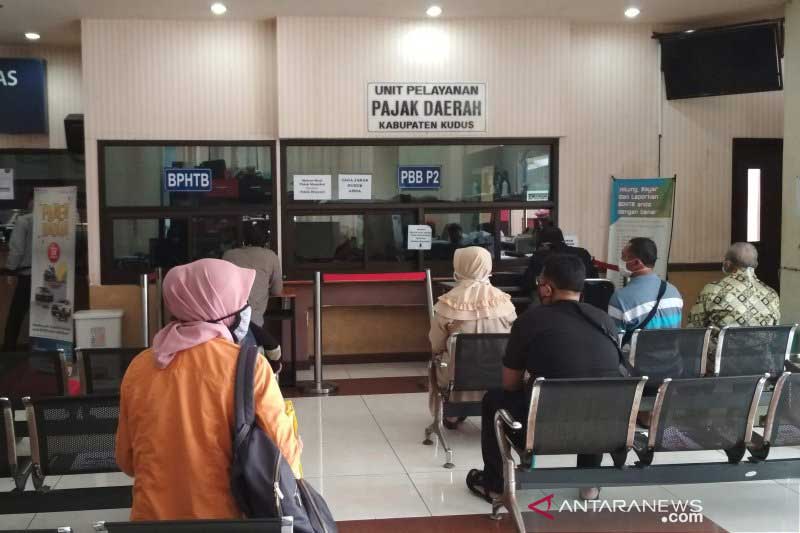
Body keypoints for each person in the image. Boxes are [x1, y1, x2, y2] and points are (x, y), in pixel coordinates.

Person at [115, 259, 301, 520]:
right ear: (218, 306)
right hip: (229, 522)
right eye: (238, 302)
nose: (243, 310)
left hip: (151, 522)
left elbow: (126, 460)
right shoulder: (250, 366)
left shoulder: (140, 367)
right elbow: (286, 457)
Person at [466, 254, 623, 503]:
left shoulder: (530, 321)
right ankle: (589, 483)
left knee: (493, 399)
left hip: (542, 429)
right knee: (593, 393)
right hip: (603, 429)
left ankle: (495, 483)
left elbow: (509, 385)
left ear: (547, 288)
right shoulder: (604, 321)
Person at [429, 247, 517, 428]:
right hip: (498, 375)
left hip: (457, 378)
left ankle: (453, 414)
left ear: (459, 266)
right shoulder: (504, 302)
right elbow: (516, 339)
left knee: (440, 362)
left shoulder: (447, 303)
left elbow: (436, 345)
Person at [687, 242, 780, 367]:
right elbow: (774, 334)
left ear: (727, 264)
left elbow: (694, 329)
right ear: (756, 264)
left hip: (720, 367)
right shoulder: (772, 294)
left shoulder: (713, 290)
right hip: (761, 367)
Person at [608, 237, 683, 343]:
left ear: (636, 263)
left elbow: (613, 342)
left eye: (623, 257)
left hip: (635, 354)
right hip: (672, 354)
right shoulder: (674, 292)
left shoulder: (620, 298)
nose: (621, 260)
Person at [222, 220, 283, 328]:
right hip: (255, 320)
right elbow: (277, 290)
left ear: (243, 239)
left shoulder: (229, 255)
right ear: (266, 240)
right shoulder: (271, 256)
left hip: (226, 319)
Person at [522, 227, 597, 294]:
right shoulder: (583, 253)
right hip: (583, 299)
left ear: (545, 244)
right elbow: (594, 280)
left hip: (551, 301)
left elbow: (527, 283)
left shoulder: (540, 257)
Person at [2, 194, 33, 351]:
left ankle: (9, 346)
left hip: (28, 275)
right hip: (52, 274)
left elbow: (17, 250)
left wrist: (10, 270)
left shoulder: (24, 221)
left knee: (17, 312)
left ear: (32, 201)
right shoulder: (56, 220)